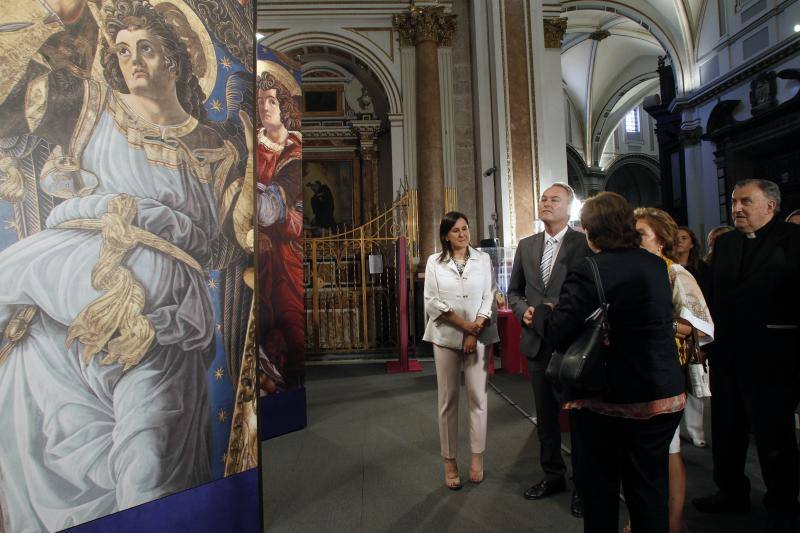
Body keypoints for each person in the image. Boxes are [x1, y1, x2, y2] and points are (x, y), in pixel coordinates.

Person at [0, 1, 252, 530]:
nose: (133, 60)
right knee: (49, 438)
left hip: (158, 317)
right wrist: (50, 20)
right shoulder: (91, 104)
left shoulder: (218, 149)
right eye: (121, 50)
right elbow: (9, 108)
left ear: (178, 59)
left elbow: (233, 244)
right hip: (70, 293)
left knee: (148, 469)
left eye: (147, 48)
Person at [532, 192, 684, 533]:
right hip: (661, 392)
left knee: (600, 496)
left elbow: (557, 332)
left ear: (589, 230)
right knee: (648, 493)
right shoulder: (656, 264)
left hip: (610, 397)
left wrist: (542, 312)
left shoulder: (589, 270)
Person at [693, 179, 800, 533]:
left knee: (774, 436)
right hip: (728, 355)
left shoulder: (793, 240)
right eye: (735, 201)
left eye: (746, 202)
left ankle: (782, 504)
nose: (737, 208)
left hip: (773, 357)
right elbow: (711, 297)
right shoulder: (724, 244)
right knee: (726, 429)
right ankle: (731, 491)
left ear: (771, 206)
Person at [507, 182, 591, 517]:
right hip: (537, 342)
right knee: (545, 419)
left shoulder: (583, 244)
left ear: (569, 207)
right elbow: (513, 290)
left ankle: (584, 487)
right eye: (543, 198)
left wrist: (563, 311)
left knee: (579, 419)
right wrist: (522, 310)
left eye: (554, 199)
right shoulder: (527, 246)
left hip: (572, 345)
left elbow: (590, 290)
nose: (546, 203)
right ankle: (553, 475)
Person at [634, 208, 714, 533]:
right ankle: (643, 517)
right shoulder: (633, 272)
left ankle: (673, 521)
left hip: (664, 371)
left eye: (640, 234)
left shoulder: (676, 274)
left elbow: (694, 325)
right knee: (638, 454)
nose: (633, 240)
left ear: (661, 241)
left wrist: (650, 324)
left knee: (669, 449)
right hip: (635, 371)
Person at [423, 211, 499, 490]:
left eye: (465, 229)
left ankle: (477, 457)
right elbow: (432, 302)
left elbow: (488, 295)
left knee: (478, 398)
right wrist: (466, 327)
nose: (462, 234)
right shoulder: (434, 262)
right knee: (448, 400)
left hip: (477, 337)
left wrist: (475, 328)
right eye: (456, 230)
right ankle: (450, 461)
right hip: (445, 337)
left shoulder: (483, 259)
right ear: (446, 235)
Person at [256, 66, 304, 393]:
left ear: (284, 105)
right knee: (260, 321)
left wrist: (275, 210)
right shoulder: (251, 147)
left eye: (272, 100)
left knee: (293, 322)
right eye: (260, 101)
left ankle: (292, 388)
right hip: (257, 253)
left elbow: (291, 210)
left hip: (286, 256)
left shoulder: (295, 151)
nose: (265, 106)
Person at [675, 225, 711, 449]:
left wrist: (701, 336)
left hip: (692, 332)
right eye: (676, 237)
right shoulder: (665, 266)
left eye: (684, 238)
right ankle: (676, 430)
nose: (679, 241)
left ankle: (696, 431)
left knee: (695, 380)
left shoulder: (701, 270)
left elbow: (706, 303)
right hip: (673, 332)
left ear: (692, 243)